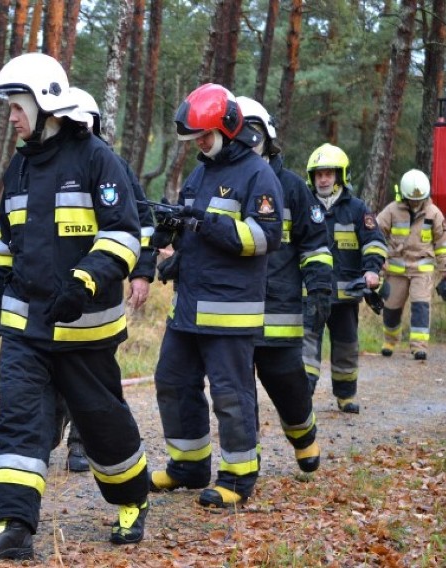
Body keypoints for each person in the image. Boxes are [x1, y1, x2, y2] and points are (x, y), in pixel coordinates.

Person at [0, 53, 150, 562]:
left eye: (16, 106)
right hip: (28, 326)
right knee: (20, 420)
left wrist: (85, 281)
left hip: (86, 328)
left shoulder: (96, 158)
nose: (11, 117)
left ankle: (132, 497)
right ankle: (14, 525)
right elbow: (10, 240)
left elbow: (123, 235)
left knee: (102, 424)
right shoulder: (20, 166)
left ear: (45, 103)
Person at [148, 83, 283, 508]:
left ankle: (239, 475)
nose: (199, 145)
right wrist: (175, 252)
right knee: (172, 381)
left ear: (228, 127)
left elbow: (264, 237)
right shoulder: (201, 171)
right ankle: (188, 465)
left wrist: (205, 222)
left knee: (230, 393)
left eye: (204, 137)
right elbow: (192, 227)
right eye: (195, 139)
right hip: (189, 306)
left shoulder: (258, 175)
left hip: (230, 309)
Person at [55, 86, 158, 473]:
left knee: (94, 377)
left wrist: (142, 273)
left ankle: (81, 445)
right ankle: (54, 426)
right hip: (56, 295)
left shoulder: (111, 166)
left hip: (100, 297)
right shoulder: (48, 165)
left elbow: (140, 224)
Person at [235, 96, 334, 473]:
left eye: (254, 135)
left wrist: (320, 288)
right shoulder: (227, 184)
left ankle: (303, 437)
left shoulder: (292, 187)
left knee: (288, 385)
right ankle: (247, 456)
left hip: (279, 309)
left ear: (268, 139)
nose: (247, 142)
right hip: (234, 309)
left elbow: (315, 245)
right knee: (237, 392)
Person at [302, 143, 388, 413]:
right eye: (319, 174)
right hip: (312, 293)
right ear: (312, 177)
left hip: (346, 295)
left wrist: (372, 269)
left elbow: (374, 242)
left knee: (346, 347)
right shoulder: (303, 206)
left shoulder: (357, 208)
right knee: (305, 347)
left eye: (329, 173)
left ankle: (346, 396)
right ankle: (302, 399)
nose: (323, 179)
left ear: (340, 176)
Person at [376, 168, 446, 361]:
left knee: (421, 308)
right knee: (391, 308)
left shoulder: (433, 213)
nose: (416, 203)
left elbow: (443, 244)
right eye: (412, 199)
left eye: (419, 199)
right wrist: (378, 258)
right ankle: (390, 340)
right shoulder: (392, 210)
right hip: (396, 271)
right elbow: (375, 234)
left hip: (421, 271)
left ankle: (419, 347)